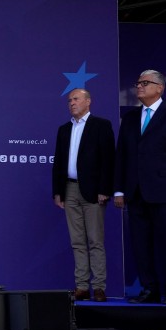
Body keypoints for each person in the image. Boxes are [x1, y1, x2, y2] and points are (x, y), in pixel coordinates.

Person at [114, 69, 166, 305]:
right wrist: (119, 189)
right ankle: (149, 288)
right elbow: (122, 156)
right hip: (136, 192)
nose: (139, 86)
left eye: (145, 83)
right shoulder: (129, 118)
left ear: (160, 87)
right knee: (141, 245)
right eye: (137, 83)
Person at [52, 88, 115, 303]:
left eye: (76, 99)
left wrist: (105, 189)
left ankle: (98, 287)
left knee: (95, 240)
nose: (72, 103)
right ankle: (81, 286)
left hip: (94, 190)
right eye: (69, 100)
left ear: (88, 101)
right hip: (69, 189)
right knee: (77, 241)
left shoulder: (101, 125)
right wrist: (57, 192)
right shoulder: (63, 129)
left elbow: (108, 160)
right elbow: (58, 162)